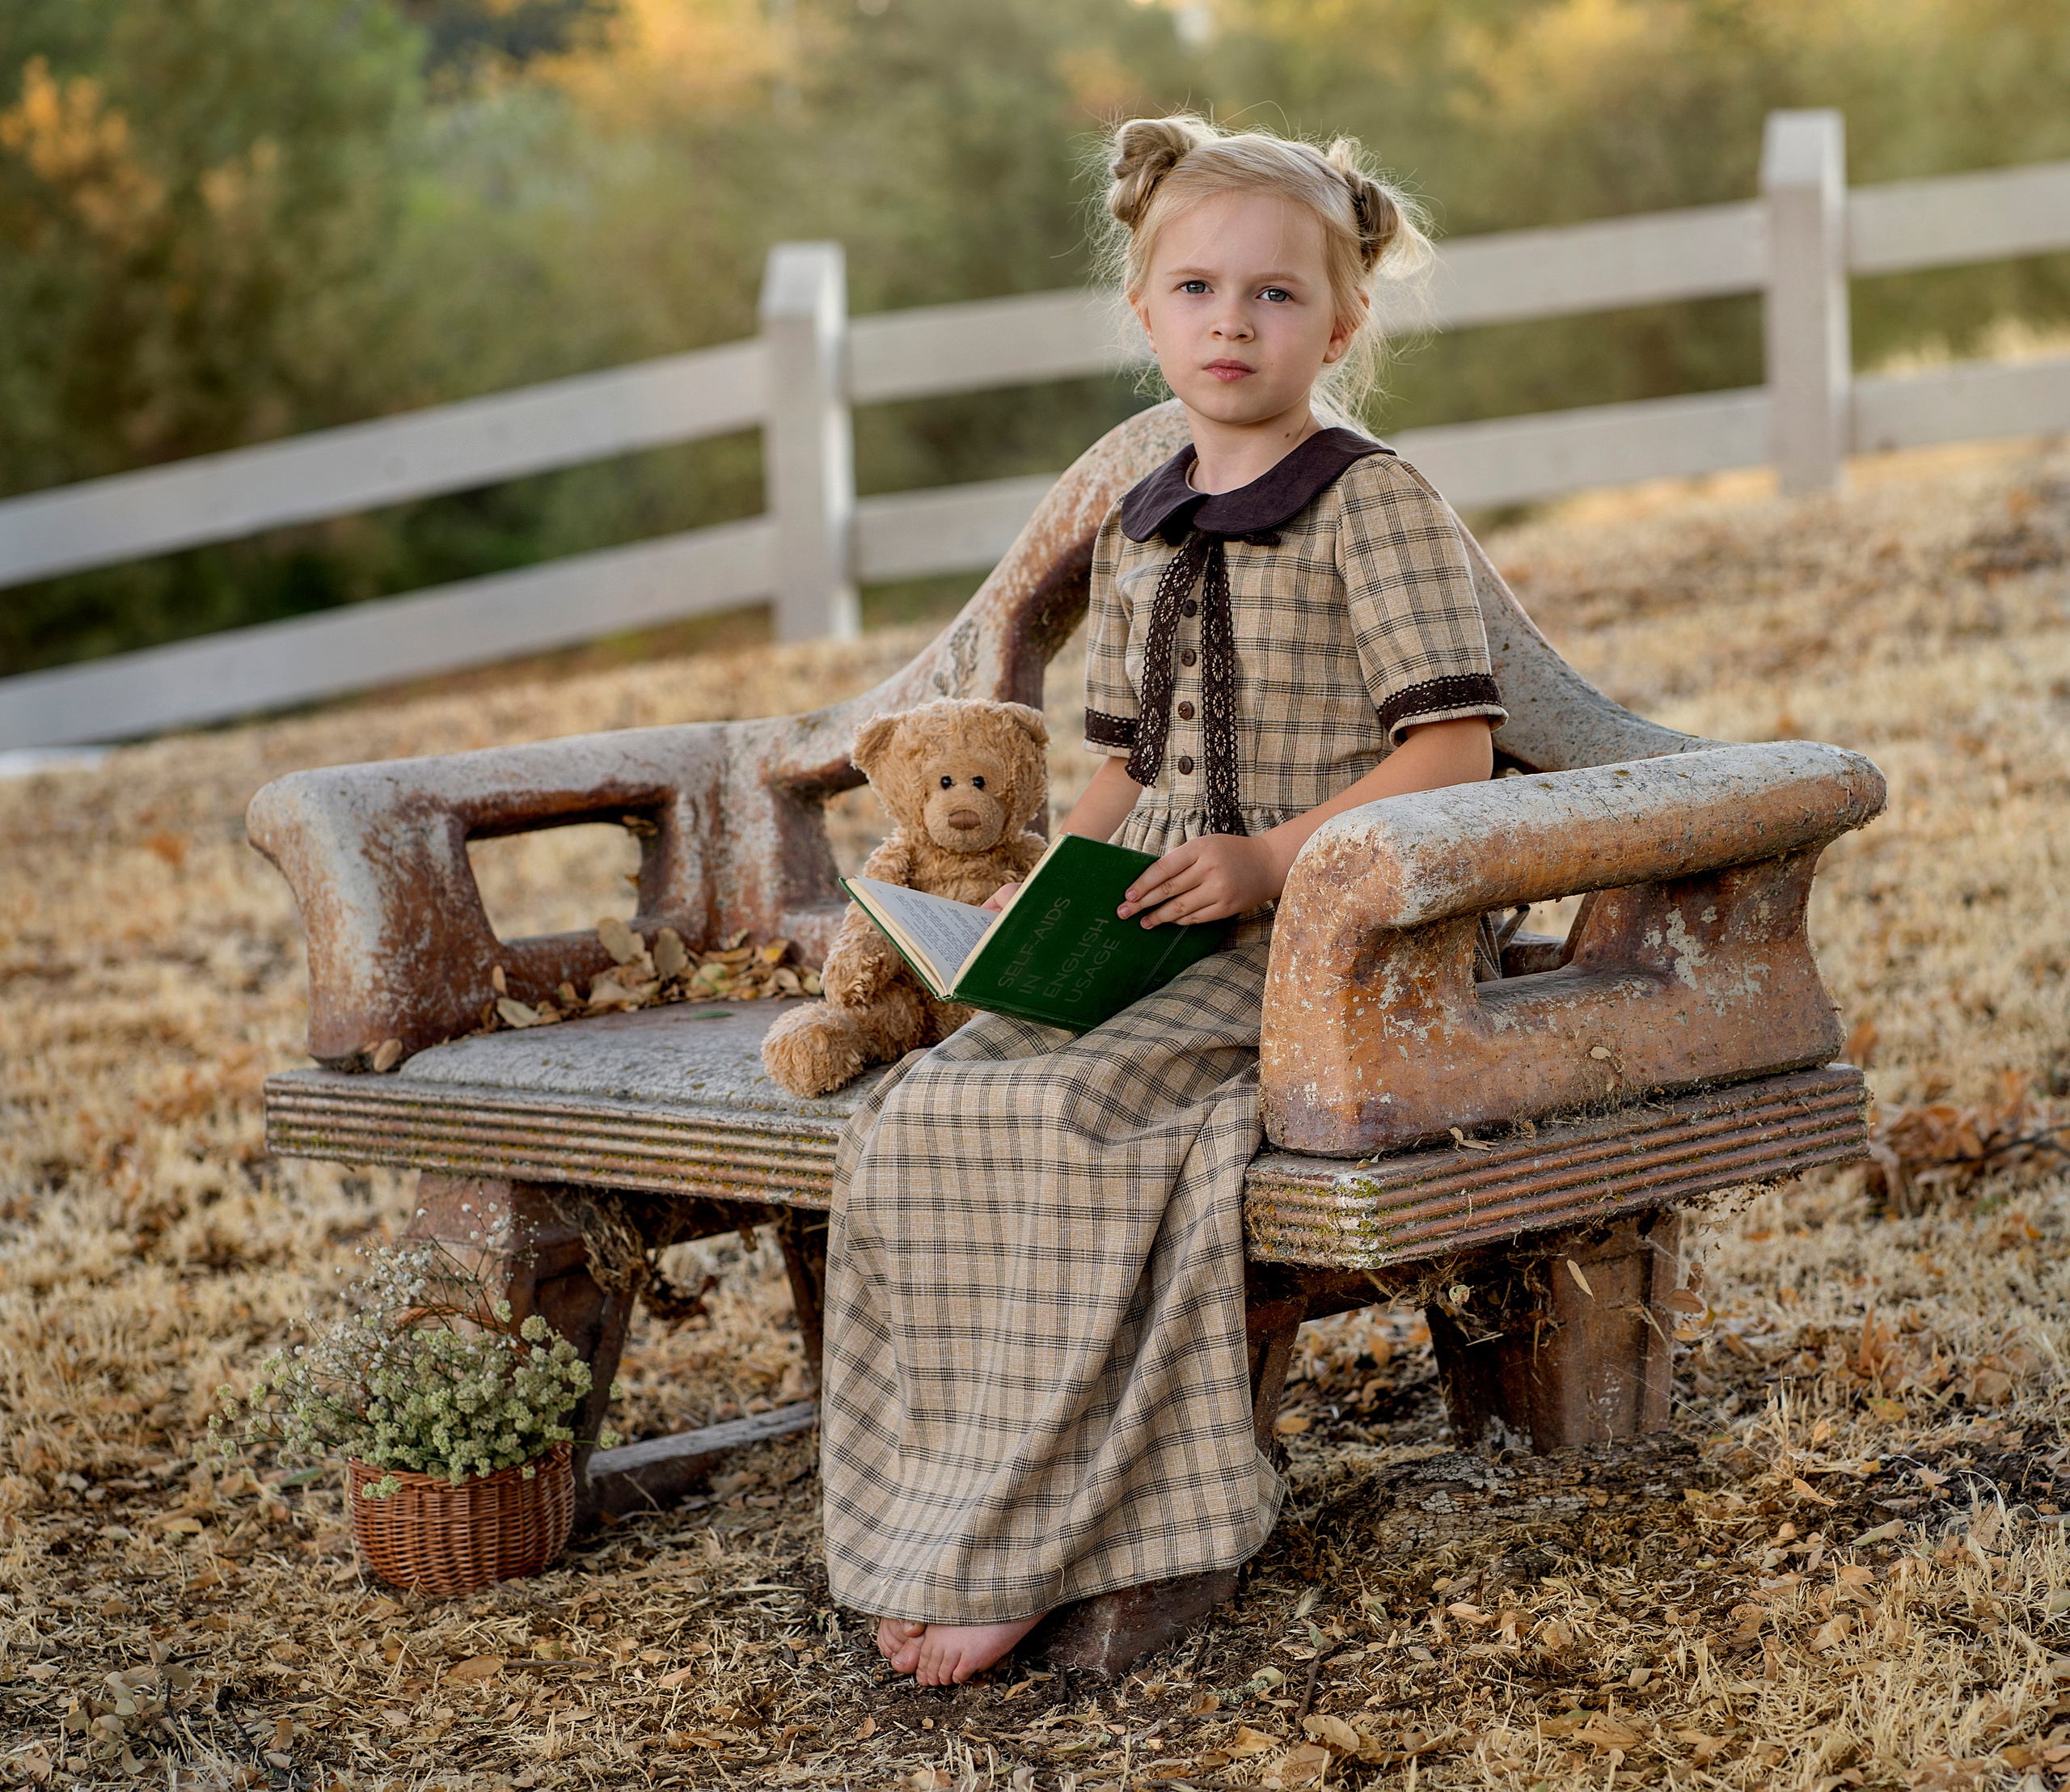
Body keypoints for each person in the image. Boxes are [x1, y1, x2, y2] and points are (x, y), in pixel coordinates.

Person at [821, 113, 1509, 1688]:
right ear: (1142, 314)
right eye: (1193, 288)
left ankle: (1059, 1535)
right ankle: (941, 1514)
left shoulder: (1368, 502)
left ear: (1339, 324)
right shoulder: (1144, 517)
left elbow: (1451, 750)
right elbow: (1123, 778)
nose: (1229, 321)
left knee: (1083, 1131)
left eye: (1274, 295)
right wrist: (1037, 918)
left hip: (1322, 937)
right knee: (923, 1109)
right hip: (1146, 924)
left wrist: (1268, 862)